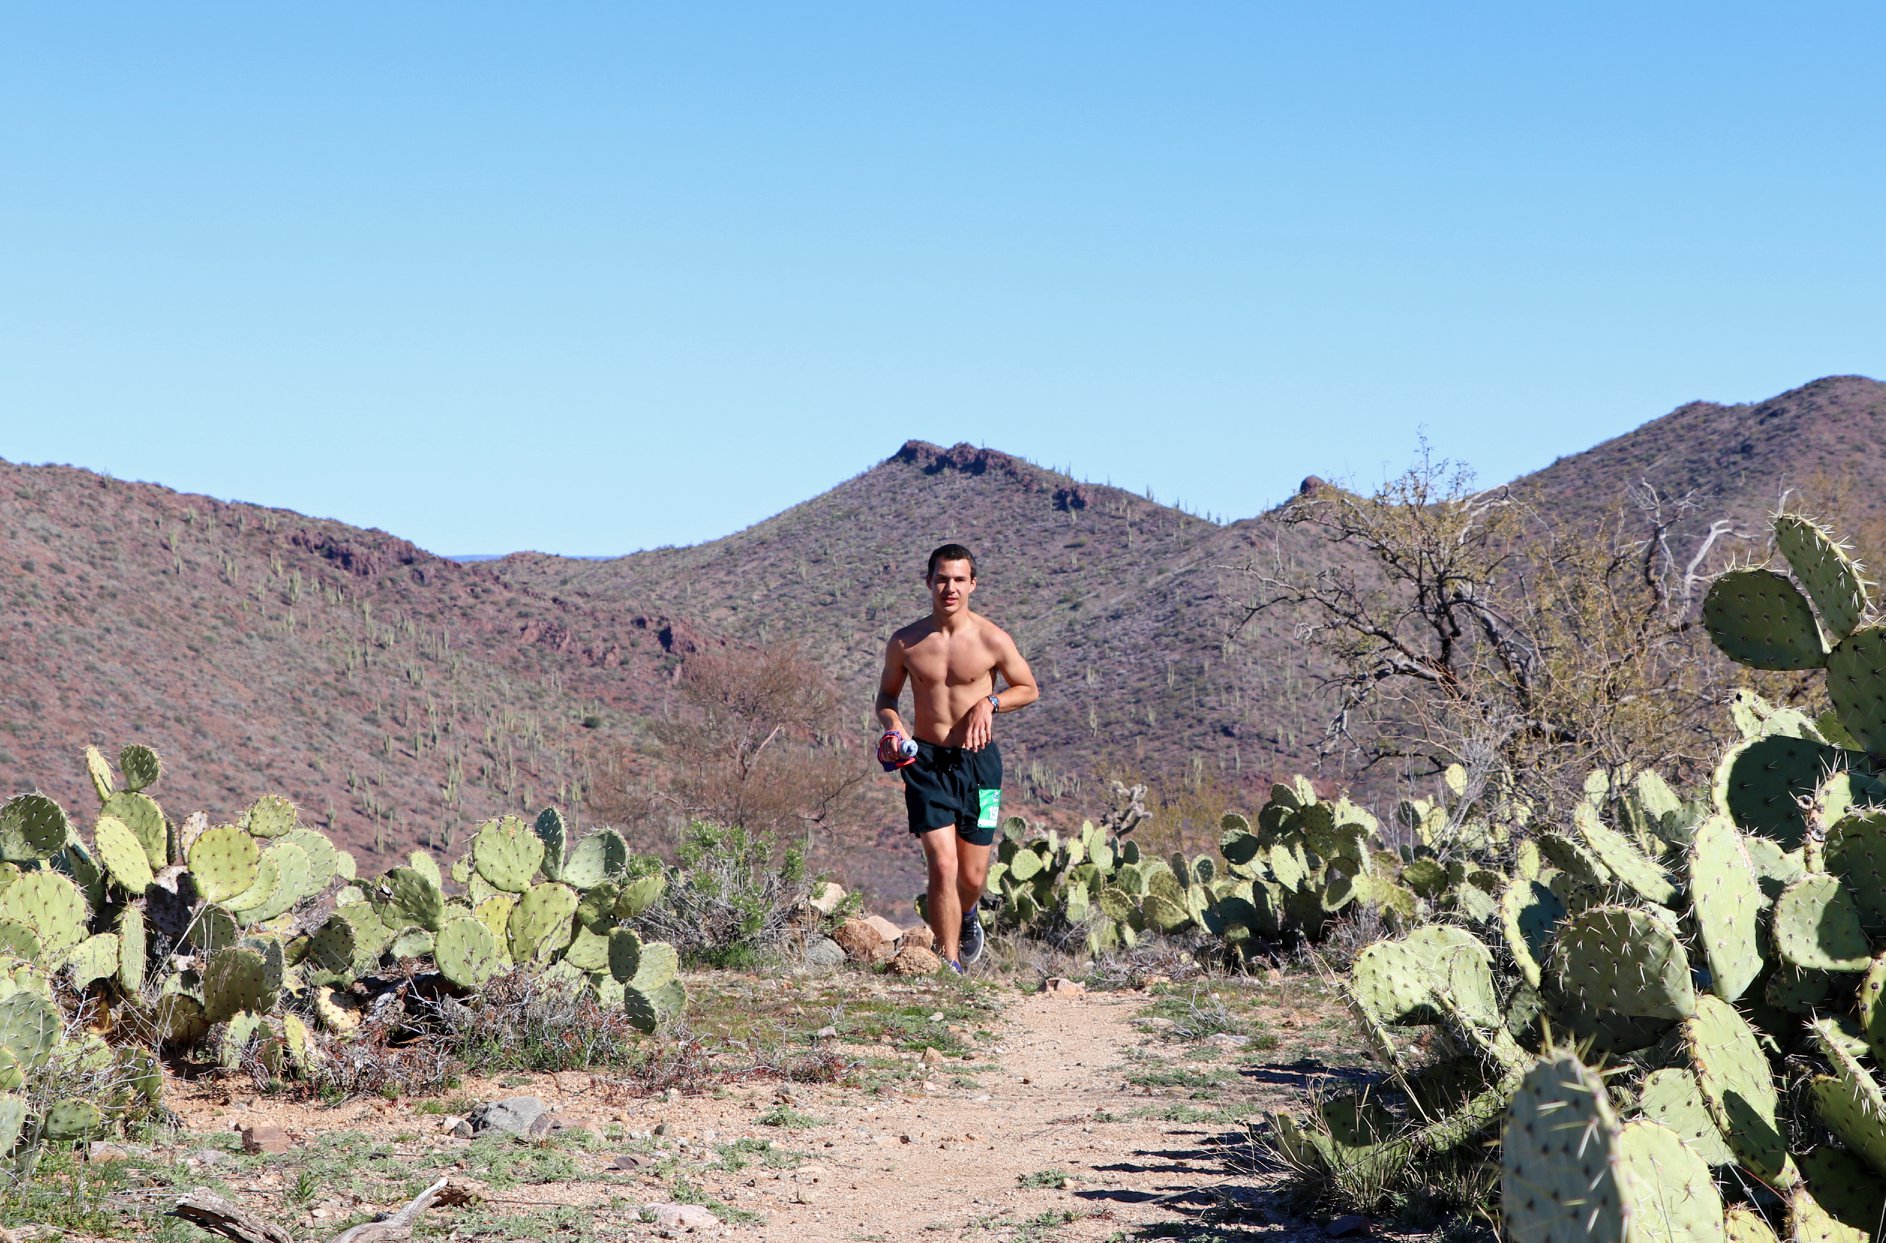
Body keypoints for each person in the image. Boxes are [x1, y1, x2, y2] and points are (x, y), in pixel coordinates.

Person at [875, 543, 1039, 971]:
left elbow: (1028, 688)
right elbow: (886, 697)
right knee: (943, 865)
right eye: (942, 579)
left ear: (972, 584)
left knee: (972, 877)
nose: (950, 587)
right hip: (924, 763)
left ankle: (967, 916)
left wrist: (991, 704)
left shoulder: (992, 639)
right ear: (928, 582)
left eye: (959, 579)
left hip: (980, 764)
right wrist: (894, 726)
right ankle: (950, 966)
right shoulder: (906, 642)